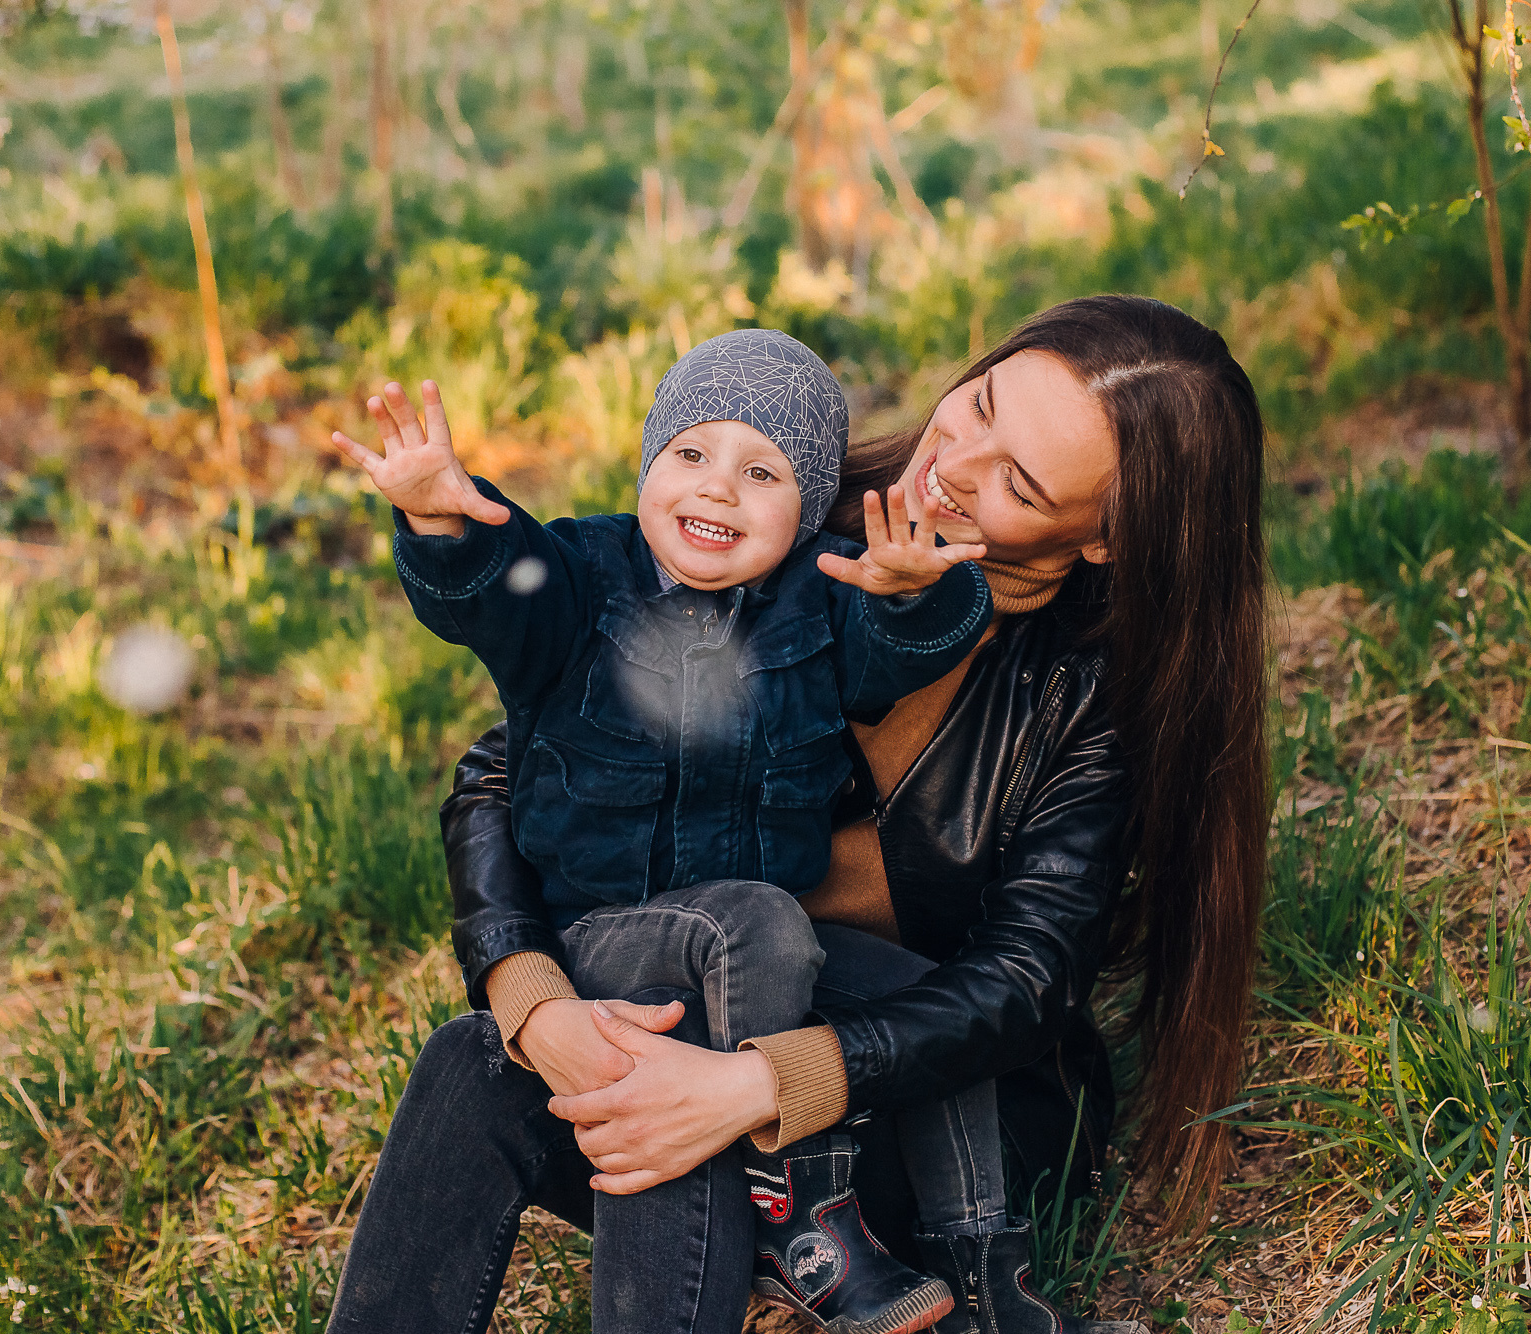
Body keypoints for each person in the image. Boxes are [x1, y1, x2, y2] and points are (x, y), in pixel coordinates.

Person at [329, 295, 1269, 1334]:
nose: (954, 465)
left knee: (681, 1093)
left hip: (903, 1107)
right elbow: (512, 767)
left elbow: (1021, 981)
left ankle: (929, 1280)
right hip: (680, 997)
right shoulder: (784, 499)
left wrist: (749, 1088)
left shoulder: (1086, 694)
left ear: (1103, 535)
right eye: (978, 407)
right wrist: (533, 994)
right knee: (481, 1059)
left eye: (1017, 481)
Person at [331, 329, 1001, 1334]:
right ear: (647, 463)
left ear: (808, 506)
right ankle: (798, 1218)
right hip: (606, 932)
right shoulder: (579, 579)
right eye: (689, 453)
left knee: (915, 994)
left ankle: (988, 1279)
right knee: (752, 918)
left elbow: (887, 648)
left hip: (757, 971)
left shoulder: (820, 600)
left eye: (760, 470)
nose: (716, 489)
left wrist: (915, 590)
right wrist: (441, 522)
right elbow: (499, 583)